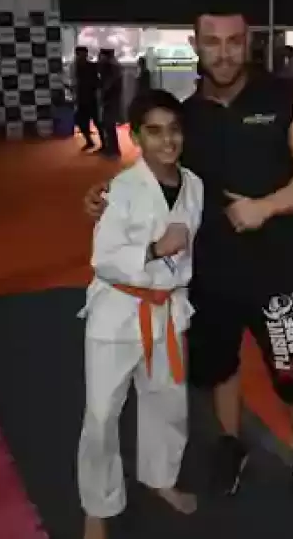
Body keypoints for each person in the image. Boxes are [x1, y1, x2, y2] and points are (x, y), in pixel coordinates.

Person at [83, 8, 293, 504]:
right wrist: (108, 196)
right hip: (208, 276)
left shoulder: (287, 98)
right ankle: (230, 443)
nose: (223, 53)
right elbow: (159, 173)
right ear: (195, 45)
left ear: (249, 42)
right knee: (218, 368)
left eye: (233, 41)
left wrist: (266, 207)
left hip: (276, 275)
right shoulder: (188, 116)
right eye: (212, 41)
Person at [77, 90, 203, 539]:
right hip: (118, 311)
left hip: (167, 309)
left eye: (174, 130)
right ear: (136, 136)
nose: (167, 140)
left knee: (167, 400)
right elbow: (104, 257)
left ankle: (161, 477)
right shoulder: (122, 189)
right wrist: (154, 249)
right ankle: (98, 505)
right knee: (101, 414)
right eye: (154, 131)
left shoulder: (195, 185)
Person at [71, 47, 105, 152]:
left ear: (86, 54)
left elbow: (99, 82)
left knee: (97, 123)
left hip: (91, 98)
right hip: (82, 98)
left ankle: (104, 144)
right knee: (82, 122)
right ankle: (90, 142)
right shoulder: (75, 67)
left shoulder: (92, 66)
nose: (80, 57)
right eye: (79, 55)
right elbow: (75, 82)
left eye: (82, 54)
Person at [97, 48, 122, 157]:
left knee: (109, 126)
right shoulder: (114, 66)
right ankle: (112, 149)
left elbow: (108, 85)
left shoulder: (111, 68)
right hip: (112, 100)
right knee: (108, 126)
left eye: (100, 56)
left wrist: (103, 96)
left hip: (110, 101)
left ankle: (113, 150)